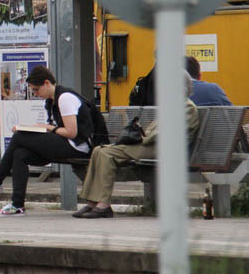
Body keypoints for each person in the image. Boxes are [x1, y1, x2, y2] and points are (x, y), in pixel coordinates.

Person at [74, 69, 200, 218]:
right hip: (152, 145)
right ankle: (91, 202)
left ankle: (103, 204)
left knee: (106, 153)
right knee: (98, 151)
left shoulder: (187, 107)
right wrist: (141, 133)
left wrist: (143, 137)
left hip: (163, 149)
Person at [0, 66, 94, 216]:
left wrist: (47, 128)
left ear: (47, 83)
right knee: (20, 153)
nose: (35, 94)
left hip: (78, 147)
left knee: (20, 136)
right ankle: (17, 205)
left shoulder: (65, 98)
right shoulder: (51, 101)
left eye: (36, 90)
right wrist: (41, 129)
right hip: (64, 144)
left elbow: (72, 132)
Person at [185, 56, 249, 216]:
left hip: (177, 155)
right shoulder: (212, 90)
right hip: (212, 156)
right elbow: (234, 121)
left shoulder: (165, 93)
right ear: (199, 75)